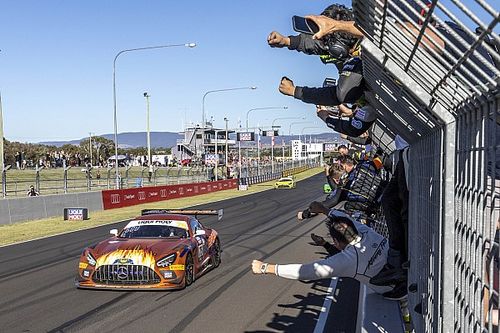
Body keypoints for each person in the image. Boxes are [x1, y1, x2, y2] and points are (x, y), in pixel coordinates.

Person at [251, 204, 405, 300]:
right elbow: (344, 218)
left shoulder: (350, 260)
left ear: (337, 242)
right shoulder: (365, 231)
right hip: (404, 269)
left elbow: (306, 272)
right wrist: (324, 211)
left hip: (393, 292)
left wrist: (266, 268)